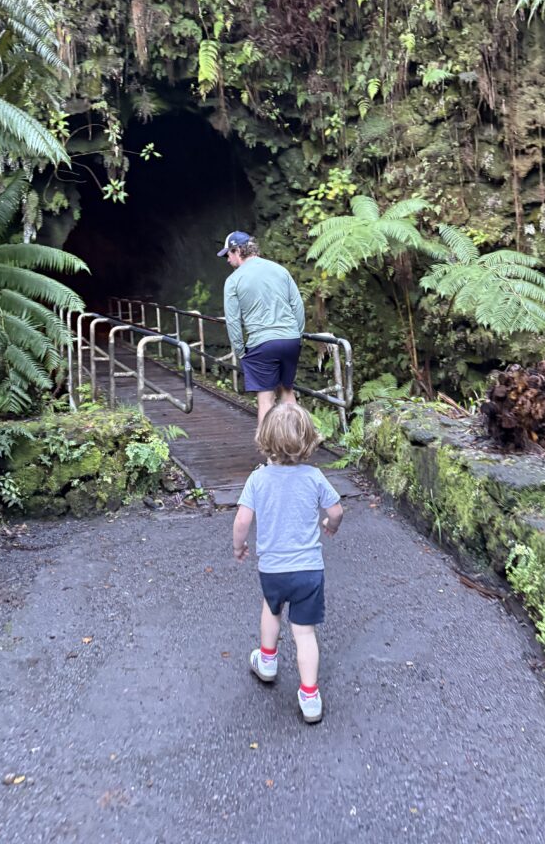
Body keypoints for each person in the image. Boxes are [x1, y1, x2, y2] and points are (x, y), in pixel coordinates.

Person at [232, 402, 343, 723]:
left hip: (273, 570)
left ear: (264, 439)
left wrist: (239, 546)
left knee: (272, 608)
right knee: (304, 632)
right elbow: (335, 511)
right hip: (309, 570)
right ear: (308, 440)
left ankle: (267, 662)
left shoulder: (258, 479)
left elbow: (242, 520)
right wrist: (330, 526)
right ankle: (310, 696)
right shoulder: (314, 477)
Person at [218, 231, 305, 429]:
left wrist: (240, 351)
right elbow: (298, 306)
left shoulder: (233, 281)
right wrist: (296, 336)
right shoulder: (280, 270)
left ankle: (270, 455)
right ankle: (302, 441)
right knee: (287, 392)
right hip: (290, 339)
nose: (227, 259)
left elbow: (232, 321)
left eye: (228, 254)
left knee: (266, 400)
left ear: (238, 250)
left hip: (262, 344)